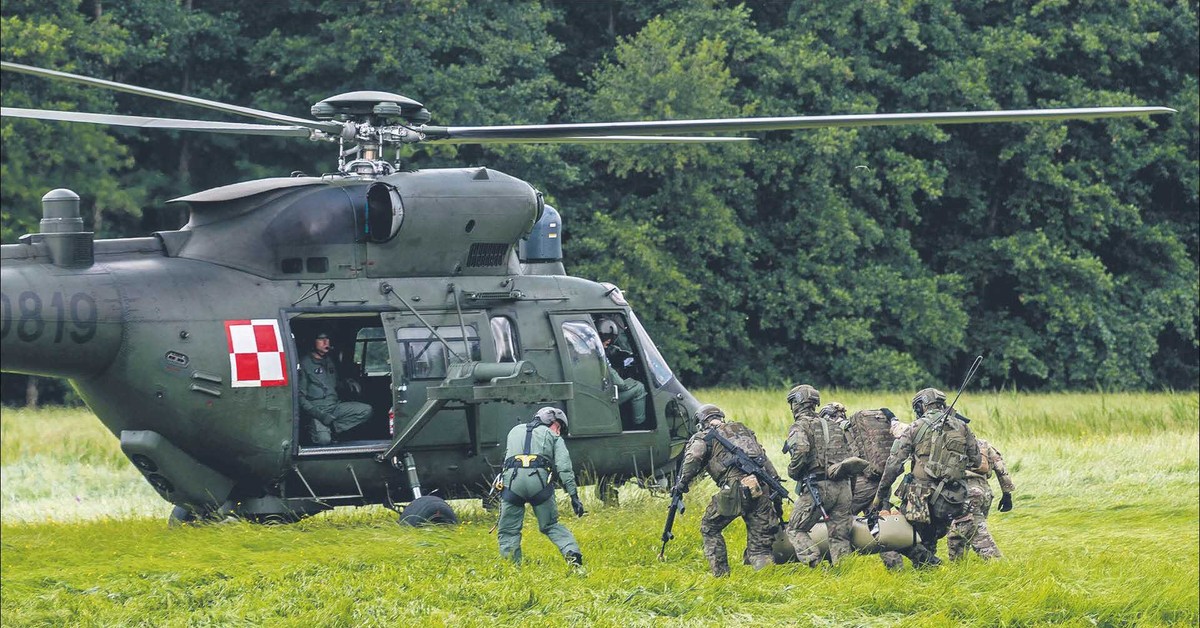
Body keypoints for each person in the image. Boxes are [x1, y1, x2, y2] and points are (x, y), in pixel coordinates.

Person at [872, 387, 982, 567]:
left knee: (898, 533)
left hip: (919, 498)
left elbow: (893, 463)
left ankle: (930, 564)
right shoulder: (962, 427)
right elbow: (976, 460)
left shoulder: (915, 427)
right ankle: (927, 573)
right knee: (929, 540)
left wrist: (880, 495)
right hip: (951, 498)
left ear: (922, 406)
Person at [672, 404, 782, 577]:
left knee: (710, 527)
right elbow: (766, 461)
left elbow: (693, 457)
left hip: (734, 490)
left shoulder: (704, 437)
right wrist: (775, 488)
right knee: (760, 547)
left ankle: (721, 577)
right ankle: (768, 583)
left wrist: (681, 483)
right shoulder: (742, 431)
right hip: (762, 487)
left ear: (701, 423)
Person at [496, 407, 585, 565]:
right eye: (558, 427)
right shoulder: (553, 436)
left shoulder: (514, 431)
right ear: (552, 422)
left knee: (508, 530)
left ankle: (511, 567)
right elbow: (564, 467)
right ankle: (571, 553)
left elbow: (507, 459)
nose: (558, 432)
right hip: (539, 484)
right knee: (550, 525)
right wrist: (573, 496)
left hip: (512, 484)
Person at [784, 398, 866, 567]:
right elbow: (851, 459)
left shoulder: (800, 426)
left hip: (818, 487)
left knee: (795, 528)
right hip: (843, 488)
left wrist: (793, 472)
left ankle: (816, 565)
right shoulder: (835, 426)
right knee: (840, 536)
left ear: (796, 404)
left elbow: (800, 451)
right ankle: (844, 574)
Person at [845, 407, 904, 570]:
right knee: (881, 527)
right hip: (880, 482)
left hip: (861, 487)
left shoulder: (840, 432)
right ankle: (904, 565)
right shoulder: (856, 429)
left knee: (837, 522)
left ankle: (839, 568)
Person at [946, 437, 1015, 560]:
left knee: (976, 531)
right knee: (958, 532)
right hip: (984, 492)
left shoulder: (948, 443)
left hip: (965, 493)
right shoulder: (983, 443)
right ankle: (957, 566)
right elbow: (1000, 467)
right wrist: (1007, 493)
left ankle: (996, 562)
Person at [298, 331, 371, 445]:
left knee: (366, 410)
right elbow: (300, 398)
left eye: (327, 339)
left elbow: (333, 384)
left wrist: (348, 383)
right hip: (317, 411)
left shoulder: (329, 361)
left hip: (334, 406)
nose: (326, 342)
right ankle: (316, 428)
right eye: (321, 339)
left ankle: (333, 428)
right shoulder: (304, 364)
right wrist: (321, 416)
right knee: (324, 440)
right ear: (313, 342)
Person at [597, 318, 647, 426]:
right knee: (639, 387)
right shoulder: (600, 355)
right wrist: (631, 382)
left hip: (596, 393)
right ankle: (640, 426)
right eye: (606, 338)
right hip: (602, 397)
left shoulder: (590, 348)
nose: (608, 341)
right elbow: (620, 384)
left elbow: (614, 351)